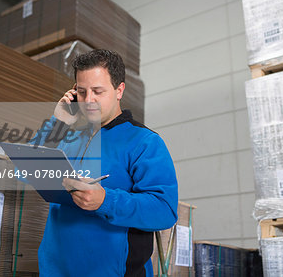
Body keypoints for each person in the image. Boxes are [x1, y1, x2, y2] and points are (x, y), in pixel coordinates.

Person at [30, 49, 178, 276]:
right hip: (55, 270)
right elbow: (27, 165)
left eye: (98, 91)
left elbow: (164, 210)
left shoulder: (144, 142)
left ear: (119, 90)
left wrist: (105, 201)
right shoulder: (67, 135)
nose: (88, 101)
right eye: (81, 91)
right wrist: (57, 123)